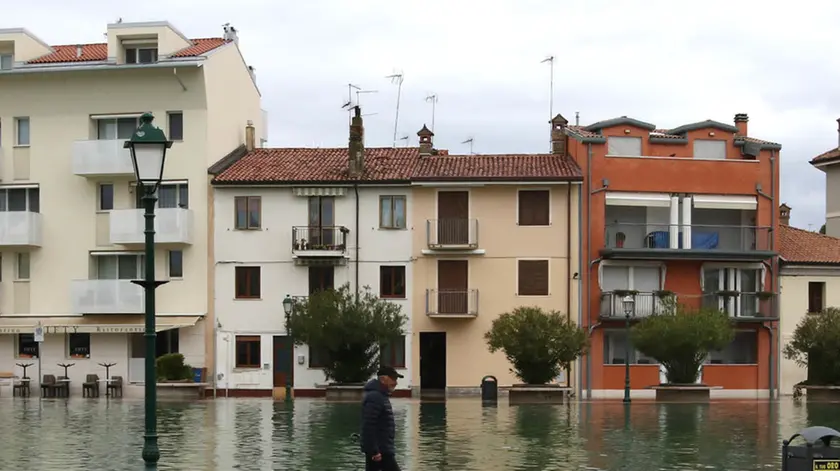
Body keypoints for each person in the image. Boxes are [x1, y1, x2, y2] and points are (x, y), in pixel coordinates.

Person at [360, 365, 403, 471]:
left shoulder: (381, 396)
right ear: (383, 379)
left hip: (382, 450)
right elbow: (368, 425)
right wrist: (374, 451)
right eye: (393, 379)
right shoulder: (375, 397)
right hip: (381, 452)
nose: (396, 383)